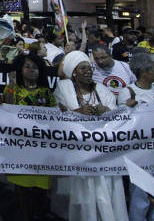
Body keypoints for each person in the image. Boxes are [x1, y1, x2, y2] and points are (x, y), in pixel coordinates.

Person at [54, 51, 128, 221]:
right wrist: (78, 112)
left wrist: (106, 111)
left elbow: (117, 117)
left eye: (89, 68)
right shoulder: (64, 87)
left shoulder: (102, 89)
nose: (88, 71)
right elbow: (57, 115)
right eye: (83, 68)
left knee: (108, 194)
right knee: (83, 200)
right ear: (74, 72)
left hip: (103, 152)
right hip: (79, 152)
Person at [2, 53, 56, 221]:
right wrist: (11, 83)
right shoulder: (13, 88)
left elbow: (55, 116)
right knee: (22, 189)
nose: (32, 70)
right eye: (28, 67)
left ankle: (39, 213)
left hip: (42, 148)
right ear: (20, 69)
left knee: (41, 189)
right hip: (20, 147)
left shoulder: (46, 92)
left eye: (35, 67)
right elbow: (7, 107)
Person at [117, 53, 154, 221]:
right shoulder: (128, 92)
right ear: (143, 72)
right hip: (140, 151)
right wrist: (126, 108)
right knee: (140, 195)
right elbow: (120, 121)